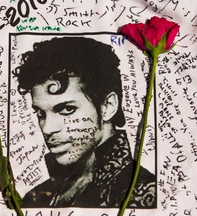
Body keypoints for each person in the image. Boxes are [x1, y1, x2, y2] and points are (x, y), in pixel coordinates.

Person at [13, 36, 156, 208]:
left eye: (67, 109)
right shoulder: (38, 197)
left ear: (108, 106)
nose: (48, 128)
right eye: (40, 113)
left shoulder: (143, 193)